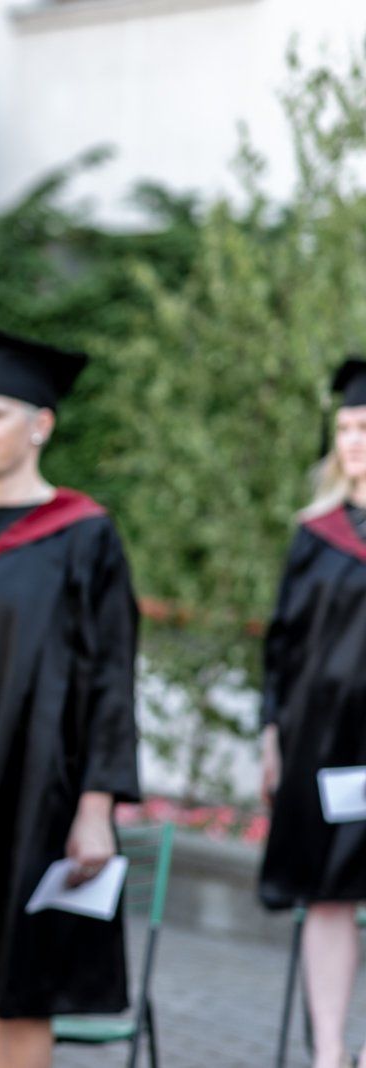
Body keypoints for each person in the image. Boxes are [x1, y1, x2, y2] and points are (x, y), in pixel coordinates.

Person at [0, 329, 140, 1068]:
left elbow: (110, 677)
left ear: (41, 424)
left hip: (42, 795)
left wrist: (97, 809)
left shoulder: (84, 535)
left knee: (20, 991)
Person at [258, 356, 366, 1068]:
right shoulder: (316, 534)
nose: (353, 440)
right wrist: (271, 735)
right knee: (327, 894)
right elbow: (282, 646)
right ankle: (329, 1053)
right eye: (346, 428)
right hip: (322, 746)